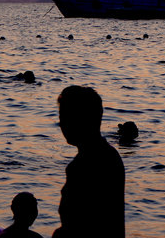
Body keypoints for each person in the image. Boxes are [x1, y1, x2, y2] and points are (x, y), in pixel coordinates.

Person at [52, 85, 124, 238]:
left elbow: (79, 224)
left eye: (64, 117)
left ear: (80, 120)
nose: (61, 124)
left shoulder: (84, 166)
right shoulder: (109, 155)